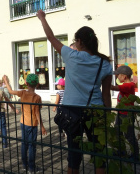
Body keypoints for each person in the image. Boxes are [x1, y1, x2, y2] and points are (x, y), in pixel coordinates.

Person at [37, 10, 112, 174]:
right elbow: (106, 94)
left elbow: (51, 37)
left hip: (72, 111)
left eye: (75, 41)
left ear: (79, 41)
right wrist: (107, 114)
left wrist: (42, 18)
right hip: (96, 111)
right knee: (99, 154)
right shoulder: (105, 63)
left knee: (74, 155)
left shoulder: (71, 55)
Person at [3, 74, 47, 173]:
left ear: (26, 83)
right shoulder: (37, 97)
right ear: (37, 84)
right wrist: (42, 126)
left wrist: (6, 81)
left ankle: (24, 165)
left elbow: (10, 91)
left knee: (24, 144)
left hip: (23, 122)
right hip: (32, 124)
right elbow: (37, 113)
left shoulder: (22, 93)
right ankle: (31, 168)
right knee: (31, 145)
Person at [111, 65, 139, 159]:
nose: (117, 77)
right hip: (121, 113)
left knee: (129, 135)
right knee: (117, 132)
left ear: (124, 76)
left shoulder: (129, 85)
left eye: (118, 75)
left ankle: (135, 155)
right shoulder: (125, 85)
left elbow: (115, 88)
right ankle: (121, 150)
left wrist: (106, 84)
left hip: (127, 115)